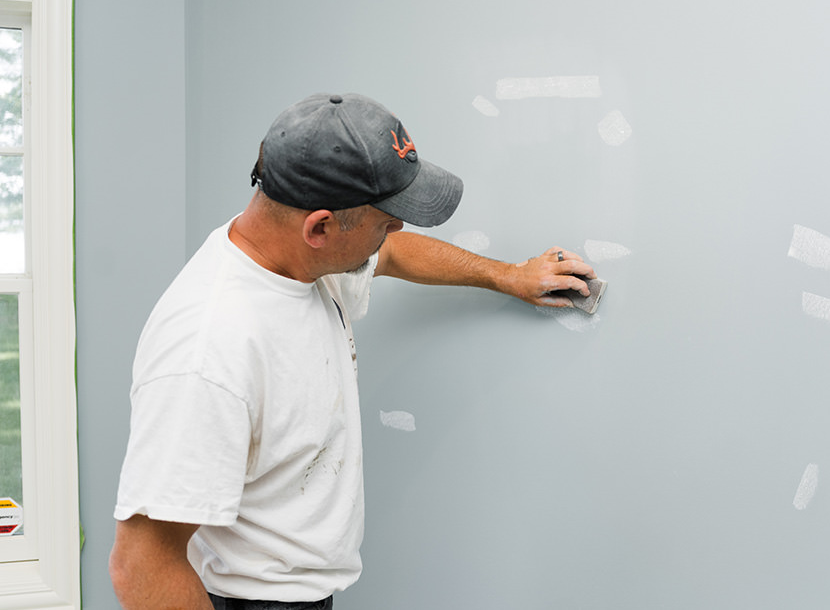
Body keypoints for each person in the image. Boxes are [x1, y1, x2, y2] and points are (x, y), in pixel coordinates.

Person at [109, 92, 595, 609]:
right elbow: (141, 564)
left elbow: (390, 253)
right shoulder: (211, 349)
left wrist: (508, 276)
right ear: (319, 227)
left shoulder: (302, 259)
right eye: (386, 218)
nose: (397, 228)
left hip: (304, 592)